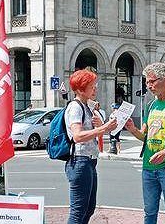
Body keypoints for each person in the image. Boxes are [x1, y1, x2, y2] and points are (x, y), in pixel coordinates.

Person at [124, 62, 165, 224]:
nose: (149, 86)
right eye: (147, 82)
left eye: (153, 81)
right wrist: (132, 129)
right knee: (149, 213)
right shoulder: (151, 105)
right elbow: (145, 136)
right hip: (148, 167)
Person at [64, 69, 117, 224]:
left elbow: (93, 134)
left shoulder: (86, 106)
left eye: (95, 85)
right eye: (92, 86)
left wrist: (101, 127)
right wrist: (104, 128)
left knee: (88, 208)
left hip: (89, 161)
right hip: (80, 161)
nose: (95, 89)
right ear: (80, 89)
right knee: (78, 211)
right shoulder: (75, 107)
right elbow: (77, 136)